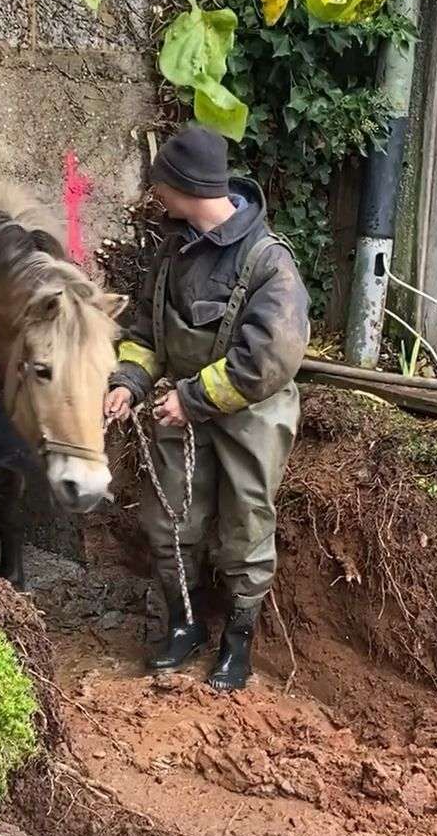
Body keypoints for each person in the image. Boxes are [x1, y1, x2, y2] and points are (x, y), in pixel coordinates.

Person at [104, 126, 310, 691]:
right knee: (170, 520)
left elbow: (270, 359)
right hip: (177, 408)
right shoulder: (172, 253)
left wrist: (192, 399)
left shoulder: (269, 261)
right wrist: (129, 382)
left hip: (250, 414)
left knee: (245, 524)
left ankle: (237, 644)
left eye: (161, 186)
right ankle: (184, 626)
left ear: (185, 186)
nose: (155, 197)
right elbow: (146, 330)